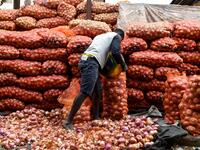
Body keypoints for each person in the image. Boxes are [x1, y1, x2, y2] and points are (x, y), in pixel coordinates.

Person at [64, 28, 128, 130]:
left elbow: (98, 52)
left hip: (89, 61)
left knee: (98, 91)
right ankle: (68, 121)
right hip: (90, 62)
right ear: (121, 37)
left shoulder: (100, 36)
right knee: (85, 92)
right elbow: (115, 52)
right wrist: (123, 65)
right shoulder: (116, 36)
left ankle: (96, 117)